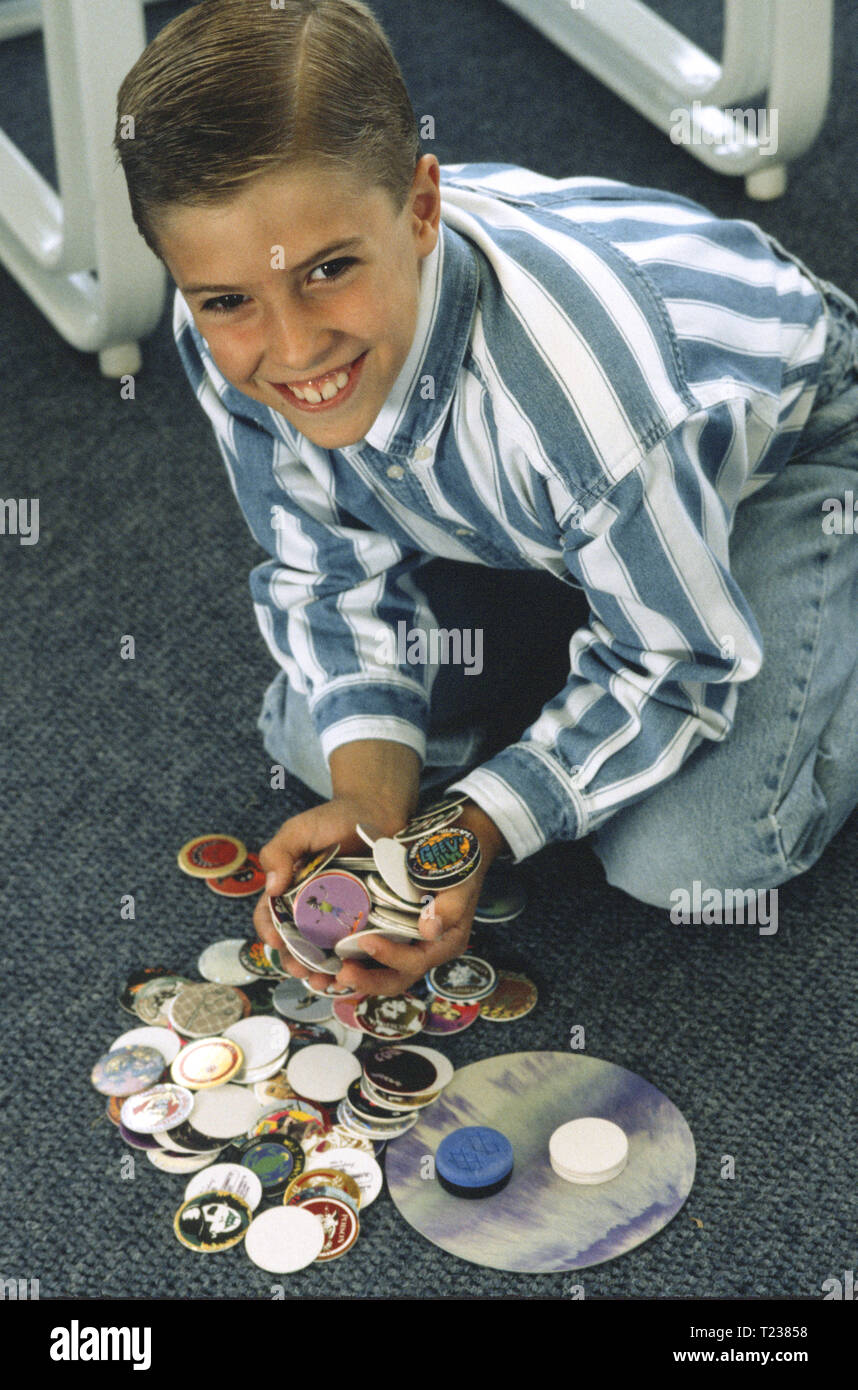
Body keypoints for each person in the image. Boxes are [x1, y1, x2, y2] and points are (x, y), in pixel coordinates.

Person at [114, 0, 858, 997]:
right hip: (567, 504)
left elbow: (679, 661)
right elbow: (322, 569)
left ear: (422, 210)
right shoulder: (228, 316)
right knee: (319, 738)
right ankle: (597, 596)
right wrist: (378, 818)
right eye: (227, 301)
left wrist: (470, 833)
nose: (289, 350)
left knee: (689, 859)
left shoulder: (592, 401)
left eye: (331, 271)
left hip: (798, 460)